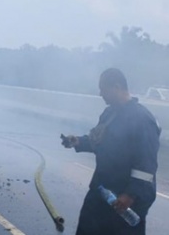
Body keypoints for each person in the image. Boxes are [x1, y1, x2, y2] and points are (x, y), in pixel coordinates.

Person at [61, 68, 161, 235]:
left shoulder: (142, 119)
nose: (100, 94)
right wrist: (78, 141)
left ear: (116, 86)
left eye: (103, 89)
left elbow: (146, 166)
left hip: (124, 201)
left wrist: (130, 195)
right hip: (101, 192)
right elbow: (97, 139)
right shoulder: (109, 114)